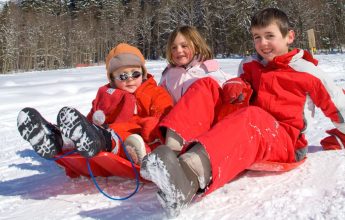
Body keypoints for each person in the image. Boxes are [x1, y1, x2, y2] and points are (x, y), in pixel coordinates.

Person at [139, 8, 345, 217]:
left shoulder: (306, 72)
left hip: (284, 140)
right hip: (250, 130)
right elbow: (241, 92)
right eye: (257, 37)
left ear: (289, 36)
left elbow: (338, 105)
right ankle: (171, 154)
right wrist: (236, 84)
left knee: (253, 116)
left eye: (269, 36)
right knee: (206, 85)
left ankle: (188, 176)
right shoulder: (249, 65)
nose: (262, 43)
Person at [17, 43, 173, 165]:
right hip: (104, 134)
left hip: (135, 141)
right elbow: (90, 118)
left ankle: (87, 140)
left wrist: (143, 126)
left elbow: (164, 121)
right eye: (123, 75)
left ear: (143, 73)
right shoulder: (106, 94)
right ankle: (57, 139)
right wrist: (84, 126)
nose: (130, 78)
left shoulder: (155, 93)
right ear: (112, 79)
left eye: (135, 73)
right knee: (88, 131)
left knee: (115, 136)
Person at [159, 25, 232, 152]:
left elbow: (227, 83)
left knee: (202, 86)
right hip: (174, 125)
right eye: (174, 47)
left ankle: (174, 147)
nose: (179, 51)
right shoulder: (168, 75)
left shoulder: (207, 68)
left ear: (196, 45)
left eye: (184, 46)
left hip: (204, 125)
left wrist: (235, 84)